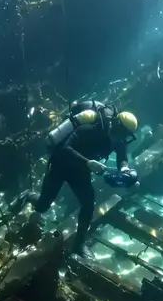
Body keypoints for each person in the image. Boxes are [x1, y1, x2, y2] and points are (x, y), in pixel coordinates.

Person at [25, 101, 138, 254]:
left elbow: (122, 158)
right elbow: (65, 148)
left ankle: (79, 244)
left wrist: (125, 169)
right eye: (121, 133)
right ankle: (28, 196)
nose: (121, 138)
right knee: (42, 206)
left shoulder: (119, 140)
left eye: (125, 136)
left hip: (81, 171)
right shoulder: (90, 128)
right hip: (60, 165)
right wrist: (88, 162)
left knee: (88, 204)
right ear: (116, 125)